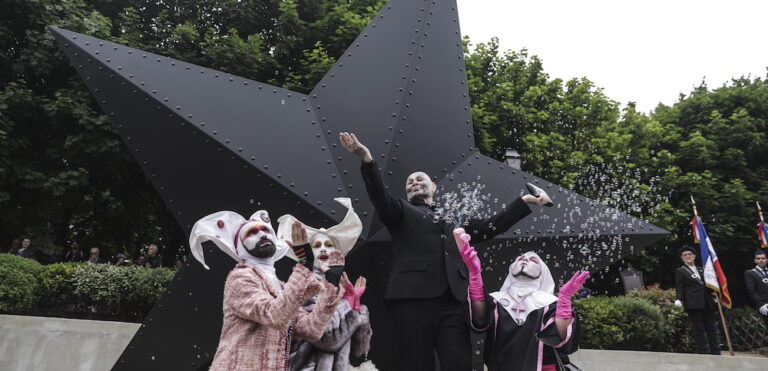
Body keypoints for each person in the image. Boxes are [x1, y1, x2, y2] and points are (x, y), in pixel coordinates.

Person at [339, 132, 551, 370]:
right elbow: (378, 196)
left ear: (434, 186)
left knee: (459, 363)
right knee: (417, 364)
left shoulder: (453, 219)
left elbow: (492, 226)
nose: (414, 183)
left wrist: (525, 201)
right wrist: (367, 159)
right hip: (411, 300)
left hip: (452, 301)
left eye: (420, 180)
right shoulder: (399, 211)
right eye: (410, 182)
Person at [189, 209, 343, 370]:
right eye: (252, 232)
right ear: (240, 246)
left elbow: (311, 329)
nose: (262, 234)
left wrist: (331, 283)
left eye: (266, 230)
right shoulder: (240, 278)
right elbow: (275, 315)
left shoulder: (281, 287)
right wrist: (305, 265)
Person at [456, 229, 586, 371]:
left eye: (533, 260)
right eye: (519, 258)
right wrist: (475, 275)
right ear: (511, 268)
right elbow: (479, 320)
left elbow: (560, 337)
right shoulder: (496, 300)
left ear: (543, 273)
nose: (524, 259)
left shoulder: (550, 302)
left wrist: (564, 299)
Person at [278, 197, 373, 371]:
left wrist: (358, 308)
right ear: (308, 252)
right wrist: (348, 304)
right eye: (317, 245)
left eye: (328, 245)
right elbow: (327, 338)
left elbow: (360, 351)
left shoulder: (344, 287)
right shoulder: (302, 285)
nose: (323, 249)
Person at [674, 245, 720, 355]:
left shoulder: (702, 269)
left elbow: (709, 285)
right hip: (693, 303)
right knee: (698, 329)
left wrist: (715, 294)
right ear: (682, 258)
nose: (688, 256)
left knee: (711, 328)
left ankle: (716, 351)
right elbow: (680, 286)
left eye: (690, 254)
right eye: (685, 255)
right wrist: (678, 299)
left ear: (694, 256)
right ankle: (703, 351)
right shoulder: (681, 271)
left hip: (708, 302)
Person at [744, 249, 768, 326]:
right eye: (758, 258)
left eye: (763, 258)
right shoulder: (750, 273)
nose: (761, 260)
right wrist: (761, 304)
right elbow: (751, 291)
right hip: (765, 305)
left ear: (766, 260)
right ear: (755, 261)